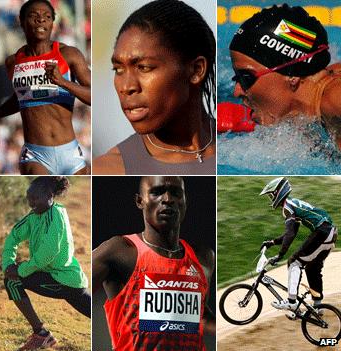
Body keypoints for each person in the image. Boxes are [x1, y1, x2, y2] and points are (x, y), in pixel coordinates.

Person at [0, 0, 91, 175]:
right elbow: (19, 100)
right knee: (39, 196)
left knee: (79, 198)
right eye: (34, 16)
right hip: (35, 155)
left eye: (47, 17)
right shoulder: (12, 62)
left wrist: (63, 82)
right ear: (22, 21)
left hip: (69, 153)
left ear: (52, 23)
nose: (41, 20)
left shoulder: (69, 54)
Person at [93, 0, 216, 175]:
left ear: (196, 70)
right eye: (118, 69)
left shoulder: (238, 144)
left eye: (144, 67)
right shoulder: (107, 170)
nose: (127, 87)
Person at [92, 176, 214, 350]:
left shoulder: (203, 256)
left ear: (185, 201)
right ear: (140, 201)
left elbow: (202, 316)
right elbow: (80, 282)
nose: (167, 199)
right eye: (157, 192)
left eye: (176, 193)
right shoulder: (121, 250)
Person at [229, 4, 341, 148]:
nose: (236, 92)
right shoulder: (308, 115)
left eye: (246, 77)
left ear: (292, 74)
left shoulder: (334, 99)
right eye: (237, 78)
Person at [2, 176, 90, 350]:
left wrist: (21, 270)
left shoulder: (56, 215)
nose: (30, 203)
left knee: (13, 281)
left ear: (50, 195)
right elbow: (13, 237)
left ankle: (41, 335)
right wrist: (8, 265)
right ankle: (41, 334)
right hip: (58, 277)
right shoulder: (34, 215)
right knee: (103, 314)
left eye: (34, 198)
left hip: (66, 280)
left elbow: (48, 253)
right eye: (28, 198)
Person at [259, 177, 337, 311]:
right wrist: (273, 242)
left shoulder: (287, 207)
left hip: (322, 232)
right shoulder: (292, 203)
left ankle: (291, 301)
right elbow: (292, 232)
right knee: (312, 268)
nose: (271, 199)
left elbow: (290, 234)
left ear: (278, 193)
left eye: (271, 195)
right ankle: (318, 306)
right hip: (330, 233)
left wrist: (280, 255)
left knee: (294, 262)